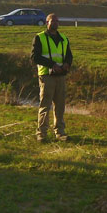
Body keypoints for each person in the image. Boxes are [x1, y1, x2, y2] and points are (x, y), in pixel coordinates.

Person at [31, 13, 73, 142]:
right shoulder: (39, 37)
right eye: (52, 21)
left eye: (56, 21)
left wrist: (66, 64)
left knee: (60, 105)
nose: (54, 23)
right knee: (45, 105)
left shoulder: (64, 39)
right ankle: (42, 133)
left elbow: (69, 56)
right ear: (47, 22)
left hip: (60, 76)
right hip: (46, 75)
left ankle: (60, 132)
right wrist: (52, 65)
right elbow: (34, 57)